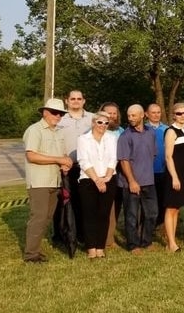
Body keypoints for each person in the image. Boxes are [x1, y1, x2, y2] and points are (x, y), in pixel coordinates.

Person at [22, 98, 72, 263]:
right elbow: (32, 156)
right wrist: (59, 159)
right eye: (54, 112)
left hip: (54, 180)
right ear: (44, 112)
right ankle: (31, 254)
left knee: (47, 217)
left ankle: (35, 249)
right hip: (39, 181)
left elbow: (62, 156)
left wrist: (65, 163)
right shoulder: (34, 130)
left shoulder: (59, 132)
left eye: (61, 113)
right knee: (39, 216)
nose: (58, 116)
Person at [117, 104, 158, 254]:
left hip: (149, 181)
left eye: (134, 115)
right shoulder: (125, 136)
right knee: (132, 215)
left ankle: (146, 241)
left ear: (142, 115)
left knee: (152, 213)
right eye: (129, 116)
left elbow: (152, 155)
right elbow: (123, 161)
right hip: (131, 184)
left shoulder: (151, 133)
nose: (131, 118)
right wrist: (132, 181)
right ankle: (133, 244)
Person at [76, 111, 117, 259]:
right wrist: (97, 180)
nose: (103, 126)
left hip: (108, 179)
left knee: (103, 214)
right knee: (89, 214)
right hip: (88, 180)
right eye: (100, 122)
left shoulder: (111, 138)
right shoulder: (83, 139)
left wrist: (106, 177)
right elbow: (83, 160)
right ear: (93, 123)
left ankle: (100, 246)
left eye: (106, 123)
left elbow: (113, 158)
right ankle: (91, 247)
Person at [55, 90, 93, 244]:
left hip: (87, 167)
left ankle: (82, 235)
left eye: (79, 98)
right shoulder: (60, 119)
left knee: (83, 202)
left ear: (84, 101)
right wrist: (61, 161)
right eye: (73, 99)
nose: (76, 101)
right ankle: (61, 235)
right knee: (62, 202)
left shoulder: (92, 118)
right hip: (66, 167)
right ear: (67, 101)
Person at [163, 103, 184, 253]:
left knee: (176, 208)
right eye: (179, 113)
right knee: (171, 208)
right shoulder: (171, 132)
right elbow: (168, 156)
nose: (182, 115)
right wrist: (174, 177)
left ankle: (171, 240)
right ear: (173, 115)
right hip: (174, 174)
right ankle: (172, 243)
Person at [98, 102, 123, 249]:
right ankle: (104, 239)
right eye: (109, 113)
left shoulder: (121, 131)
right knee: (104, 207)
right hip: (102, 174)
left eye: (114, 113)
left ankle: (109, 237)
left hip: (119, 173)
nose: (112, 116)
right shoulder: (97, 130)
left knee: (115, 206)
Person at [146, 103, 168, 227]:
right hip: (148, 171)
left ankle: (160, 223)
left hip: (163, 169)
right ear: (147, 114)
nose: (156, 115)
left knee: (162, 198)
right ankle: (148, 224)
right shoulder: (143, 129)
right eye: (153, 112)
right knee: (149, 200)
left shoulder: (166, 129)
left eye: (158, 112)